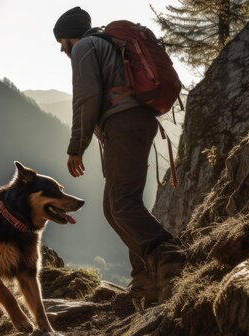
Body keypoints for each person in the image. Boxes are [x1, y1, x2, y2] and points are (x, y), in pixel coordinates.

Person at [53, 6, 185, 309]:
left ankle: (171, 257)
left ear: (71, 36)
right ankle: (145, 281)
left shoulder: (85, 47)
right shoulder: (104, 44)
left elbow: (86, 97)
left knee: (122, 203)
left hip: (124, 125)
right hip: (135, 123)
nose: (61, 49)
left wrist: (77, 146)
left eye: (61, 41)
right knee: (115, 207)